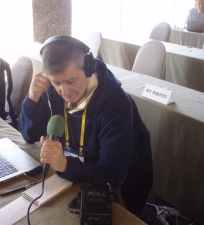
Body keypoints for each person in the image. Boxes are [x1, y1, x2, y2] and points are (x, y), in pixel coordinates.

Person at [19, 35, 153, 213]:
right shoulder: (52, 91)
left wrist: (65, 165)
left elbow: (112, 177)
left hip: (122, 185)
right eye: (56, 82)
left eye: (71, 81)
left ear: (89, 68)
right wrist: (32, 98)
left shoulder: (117, 105)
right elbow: (30, 135)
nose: (64, 91)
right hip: (74, 174)